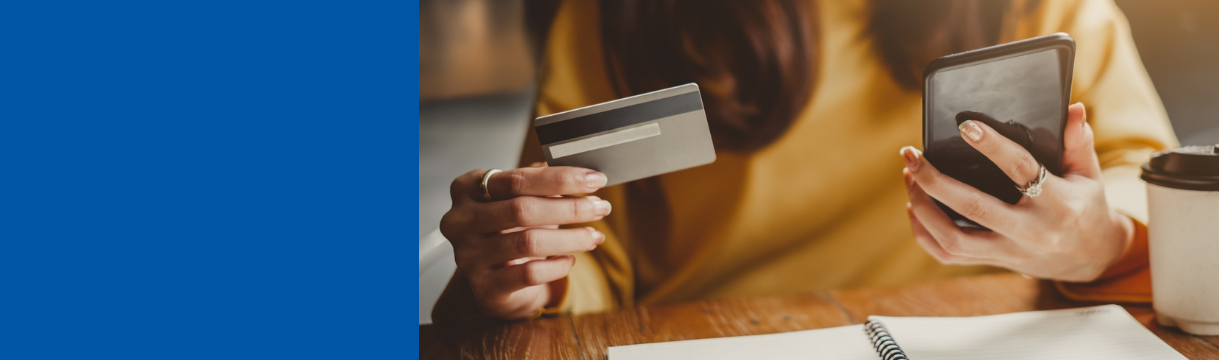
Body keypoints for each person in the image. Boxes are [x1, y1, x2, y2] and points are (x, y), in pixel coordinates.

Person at [434, 0, 1176, 322]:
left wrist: (1100, 241)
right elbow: (589, 251)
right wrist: (532, 272)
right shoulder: (615, 20)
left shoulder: (1046, 13)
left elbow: (1146, 179)